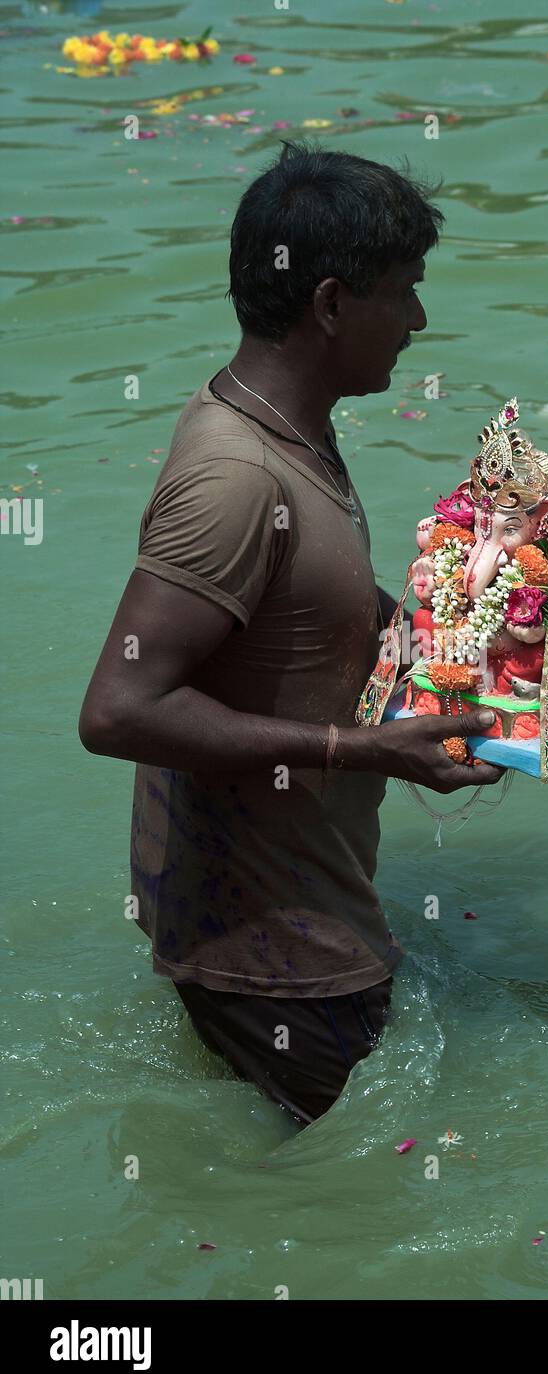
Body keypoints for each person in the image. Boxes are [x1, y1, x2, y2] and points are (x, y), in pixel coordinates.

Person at [79, 141, 503, 1128]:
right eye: (402, 293)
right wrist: (363, 750)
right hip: (286, 971)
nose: (416, 321)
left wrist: (446, 649)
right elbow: (117, 708)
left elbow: (292, 615)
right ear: (327, 306)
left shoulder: (289, 425)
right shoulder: (235, 479)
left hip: (266, 927)